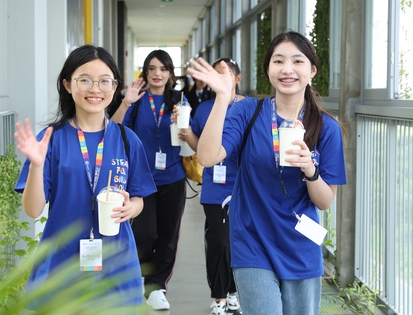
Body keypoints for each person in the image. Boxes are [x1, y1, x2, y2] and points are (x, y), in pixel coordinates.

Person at [187, 31, 347, 315]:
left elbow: (324, 201)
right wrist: (223, 98)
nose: (287, 69)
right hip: (252, 242)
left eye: (297, 61)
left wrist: (310, 169)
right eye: (278, 61)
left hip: (301, 245)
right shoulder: (248, 112)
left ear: (312, 71)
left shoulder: (326, 128)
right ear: (268, 70)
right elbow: (208, 157)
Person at [13, 45, 157, 312]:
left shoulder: (127, 140)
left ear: (115, 87)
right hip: (62, 265)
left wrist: (131, 207)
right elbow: (33, 210)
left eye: (105, 81)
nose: (95, 89)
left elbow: (139, 198)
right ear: (68, 84)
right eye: (85, 80)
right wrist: (36, 165)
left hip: (117, 264)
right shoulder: (50, 140)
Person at [111, 49, 189, 311]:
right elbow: (113, 130)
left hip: (173, 176)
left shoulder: (180, 100)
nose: (157, 74)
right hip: (141, 178)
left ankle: (156, 286)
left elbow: (191, 141)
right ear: (145, 73)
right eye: (152, 68)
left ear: (170, 74)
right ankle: (140, 276)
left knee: (168, 236)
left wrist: (185, 127)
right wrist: (126, 102)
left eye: (163, 69)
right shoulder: (136, 99)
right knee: (144, 234)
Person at [175, 58, 244, 315]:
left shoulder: (250, 108)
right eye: (213, 74)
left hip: (244, 189)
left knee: (240, 243)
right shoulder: (204, 109)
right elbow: (199, 147)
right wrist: (185, 129)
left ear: (237, 79)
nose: (217, 79)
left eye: (223, 74)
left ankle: (235, 291)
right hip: (215, 187)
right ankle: (219, 298)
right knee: (220, 243)